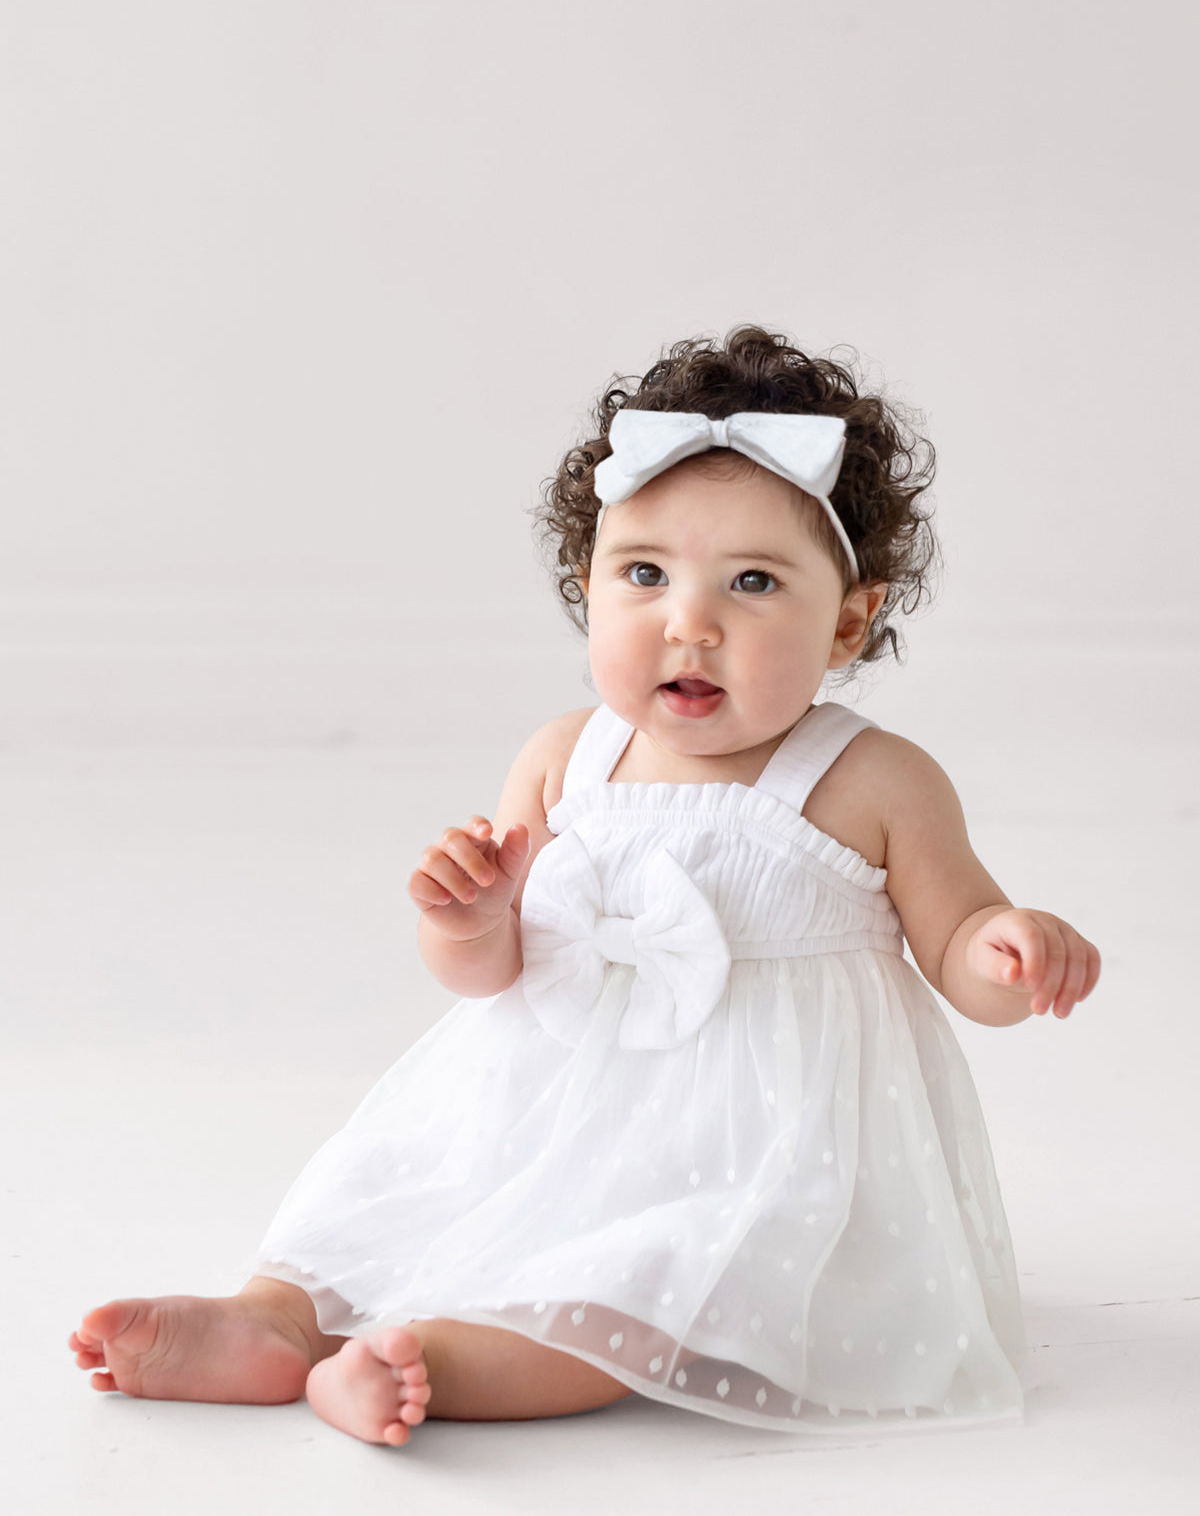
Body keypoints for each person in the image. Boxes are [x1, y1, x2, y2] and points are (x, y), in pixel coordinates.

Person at [69, 326, 1100, 1445]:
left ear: (850, 616)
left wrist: (1009, 946)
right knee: (393, 1188)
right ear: (587, 582)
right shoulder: (567, 754)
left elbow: (957, 954)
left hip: (749, 1150)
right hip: (533, 1108)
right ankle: (273, 1315)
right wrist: (468, 918)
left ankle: (428, 1360)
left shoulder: (873, 779)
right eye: (644, 573)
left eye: (753, 582)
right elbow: (490, 973)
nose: (688, 621)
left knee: (647, 1291)